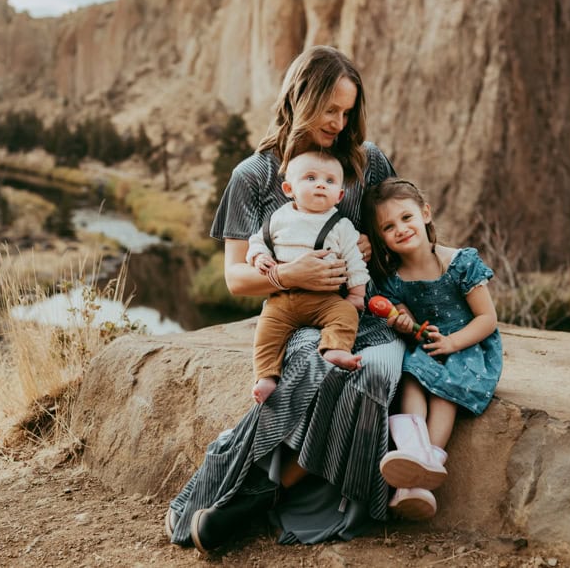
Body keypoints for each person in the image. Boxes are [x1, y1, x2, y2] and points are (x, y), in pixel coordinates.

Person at [165, 45, 404, 553]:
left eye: (347, 111)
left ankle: (256, 498)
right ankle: (237, 490)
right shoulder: (252, 176)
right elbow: (235, 277)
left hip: (364, 313)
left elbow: (404, 231)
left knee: (372, 371)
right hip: (294, 318)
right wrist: (289, 273)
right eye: (330, 110)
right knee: (306, 364)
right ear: (299, 98)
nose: (339, 123)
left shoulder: (367, 162)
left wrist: (373, 242)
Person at [361, 177, 503, 520]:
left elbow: (488, 319)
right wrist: (404, 324)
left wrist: (453, 342)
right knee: (411, 377)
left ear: (425, 213)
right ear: (380, 237)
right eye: (388, 226)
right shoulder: (394, 279)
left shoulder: (460, 263)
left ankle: (431, 459)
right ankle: (412, 454)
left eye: (406, 218)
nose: (401, 229)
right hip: (427, 346)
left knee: (443, 391)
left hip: (466, 346)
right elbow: (408, 323)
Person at [246, 149, 369, 403]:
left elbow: (354, 261)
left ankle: (335, 348)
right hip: (283, 299)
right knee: (266, 332)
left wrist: (357, 293)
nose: (321, 185)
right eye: (310, 178)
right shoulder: (279, 218)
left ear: (340, 196)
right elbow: (258, 241)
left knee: (345, 314)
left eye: (330, 181)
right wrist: (259, 257)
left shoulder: (341, 226)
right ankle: (266, 376)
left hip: (325, 300)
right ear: (289, 189)